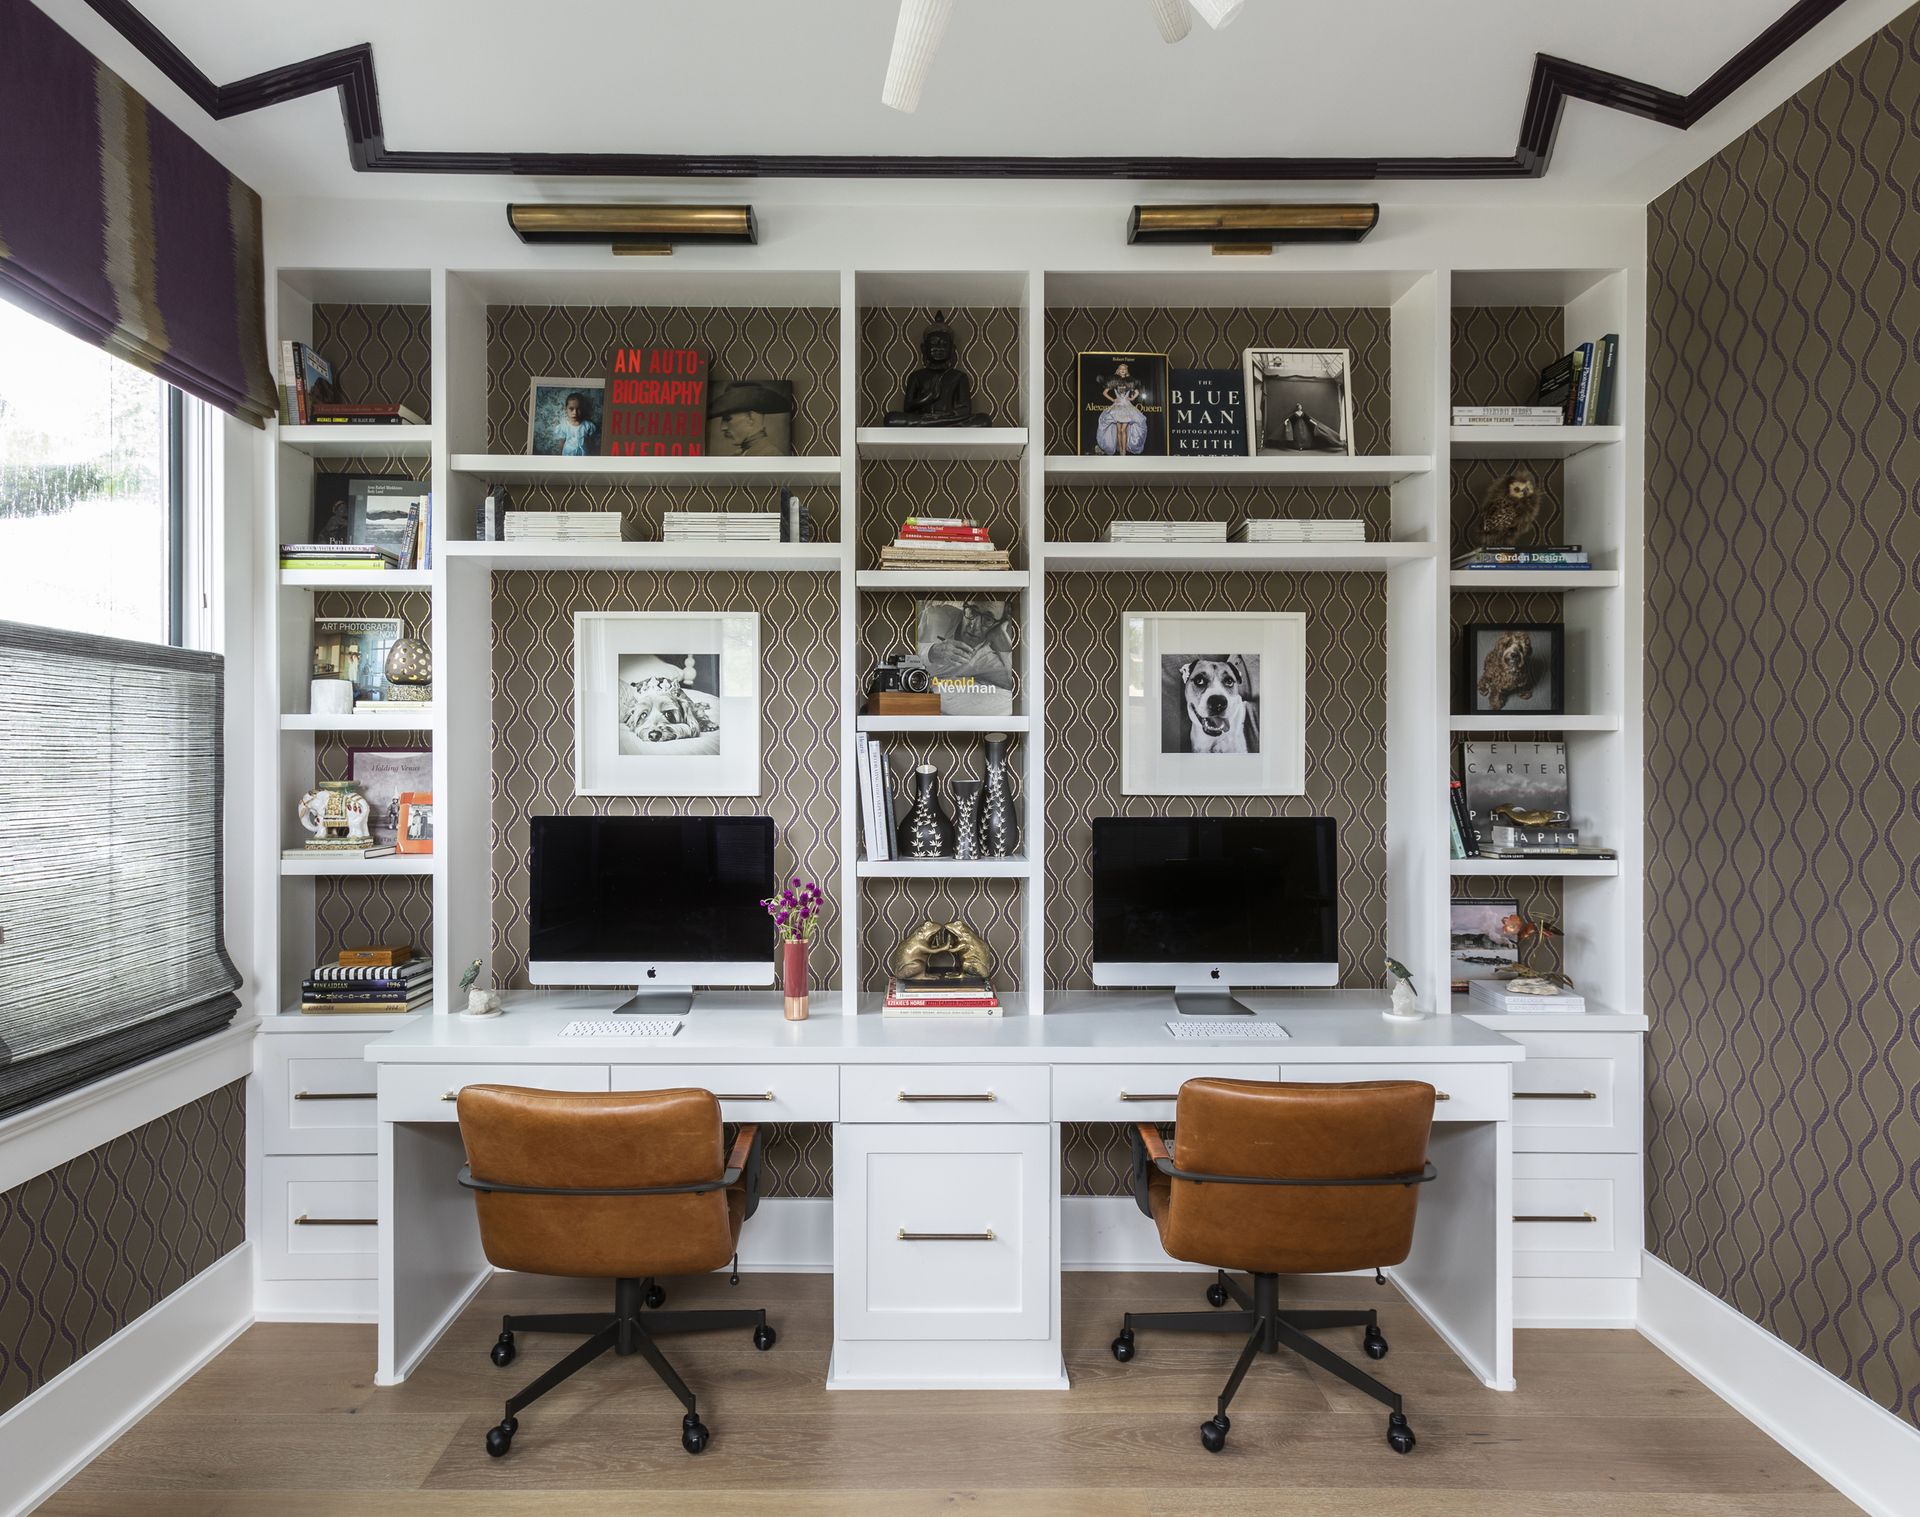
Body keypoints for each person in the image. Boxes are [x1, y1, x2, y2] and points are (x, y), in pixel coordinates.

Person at [708, 381, 794, 456]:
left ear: (751, 418)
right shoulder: (739, 456)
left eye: (728, 419)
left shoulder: (771, 456)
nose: (722, 427)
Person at [1097, 362, 1149, 456]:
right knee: (1118, 430)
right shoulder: (1114, 381)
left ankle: (1123, 451)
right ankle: (1120, 449)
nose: (1122, 370)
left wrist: (1132, 398)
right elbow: (1105, 392)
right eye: (1121, 369)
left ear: (1126, 371)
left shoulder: (1130, 381)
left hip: (1127, 407)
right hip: (1117, 408)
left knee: (1123, 430)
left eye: (1124, 369)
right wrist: (1113, 399)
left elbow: (1137, 392)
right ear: (1118, 370)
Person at [553, 390, 599, 456]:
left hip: (583, 455)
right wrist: (561, 456)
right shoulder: (564, 426)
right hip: (568, 454)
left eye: (578, 409)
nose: (575, 412)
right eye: (571, 409)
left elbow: (590, 442)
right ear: (566, 409)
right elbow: (561, 443)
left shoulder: (587, 426)